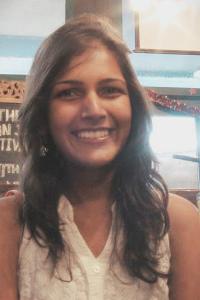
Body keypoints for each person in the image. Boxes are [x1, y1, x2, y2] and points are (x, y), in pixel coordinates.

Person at [0, 14, 200, 300]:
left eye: (110, 90)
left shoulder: (178, 222)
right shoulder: (9, 223)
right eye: (69, 93)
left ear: (132, 106)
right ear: (43, 116)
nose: (93, 109)